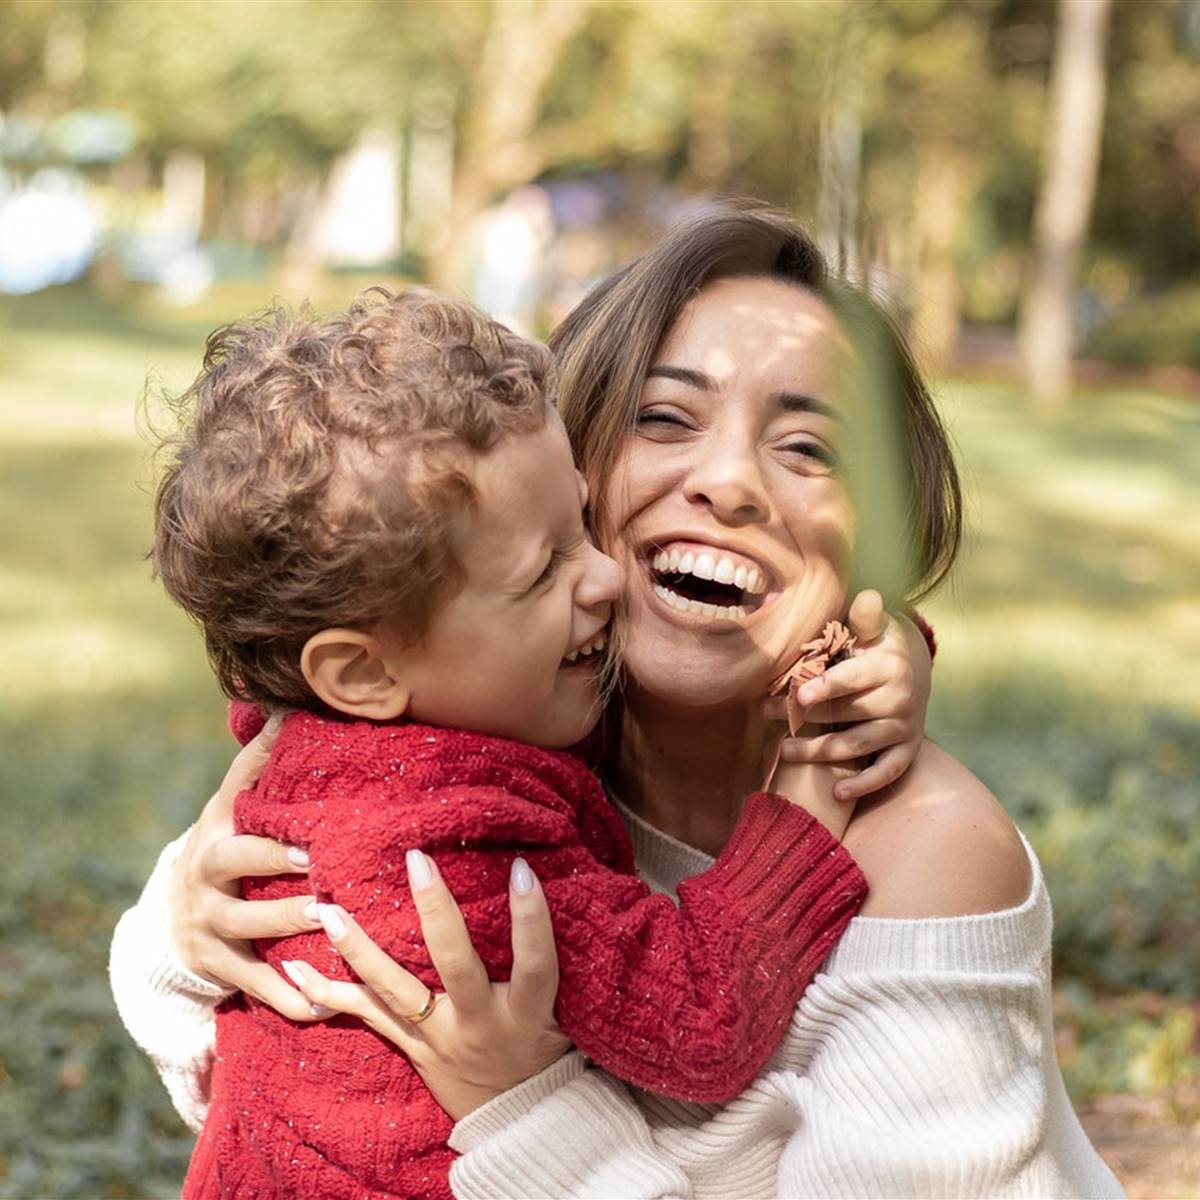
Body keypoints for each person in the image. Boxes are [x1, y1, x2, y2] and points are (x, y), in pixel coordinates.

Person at [111, 200, 1122, 1197]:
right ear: (576, 458)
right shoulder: (475, 758)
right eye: (666, 418)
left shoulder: (932, 856)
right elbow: (228, 1038)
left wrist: (517, 1108)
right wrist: (185, 931)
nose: (729, 482)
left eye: (810, 447)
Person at [144, 286, 874, 1200]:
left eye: (578, 522)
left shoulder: (334, 734)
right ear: (364, 673)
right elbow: (702, 1018)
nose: (604, 575)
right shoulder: (454, 851)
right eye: (546, 569)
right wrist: (805, 795)